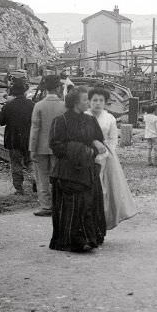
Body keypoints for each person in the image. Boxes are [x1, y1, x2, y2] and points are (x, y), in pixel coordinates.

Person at [49, 87, 107, 252]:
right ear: (75, 102)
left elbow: (99, 141)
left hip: (87, 170)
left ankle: (89, 238)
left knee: (88, 204)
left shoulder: (90, 120)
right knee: (71, 206)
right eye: (85, 100)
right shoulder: (61, 121)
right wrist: (83, 149)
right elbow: (55, 146)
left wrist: (95, 144)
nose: (88, 103)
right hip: (68, 173)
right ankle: (72, 241)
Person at [86, 87, 137, 230]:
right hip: (88, 156)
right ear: (89, 101)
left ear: (105, 102)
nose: (97, 103)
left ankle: (104, 221)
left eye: (101, 100)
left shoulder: (109, 118)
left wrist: (108, 153)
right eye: (94, 100)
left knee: (106, 191)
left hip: (106, 158)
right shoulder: (84, 116)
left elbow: (113, 138)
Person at [29, 75, 66, 216]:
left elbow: (35, 129)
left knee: (42, 177)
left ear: (45, 89)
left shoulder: (38, 106)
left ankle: (46, 206)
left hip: (40, 147)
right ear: (58, 88)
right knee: (58, 177)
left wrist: (32, 149)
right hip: (59, 148)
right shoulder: (64, 106)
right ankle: (59, 205)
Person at [0, 81, 35, 194]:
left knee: (16, 164)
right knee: (31, 162)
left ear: (13, 93)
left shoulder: (8, 106)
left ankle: (19, 189)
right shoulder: (32, 105)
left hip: (13, 140)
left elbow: (1, 122)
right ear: (25, 92)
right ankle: (36, 182)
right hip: (29, 139)